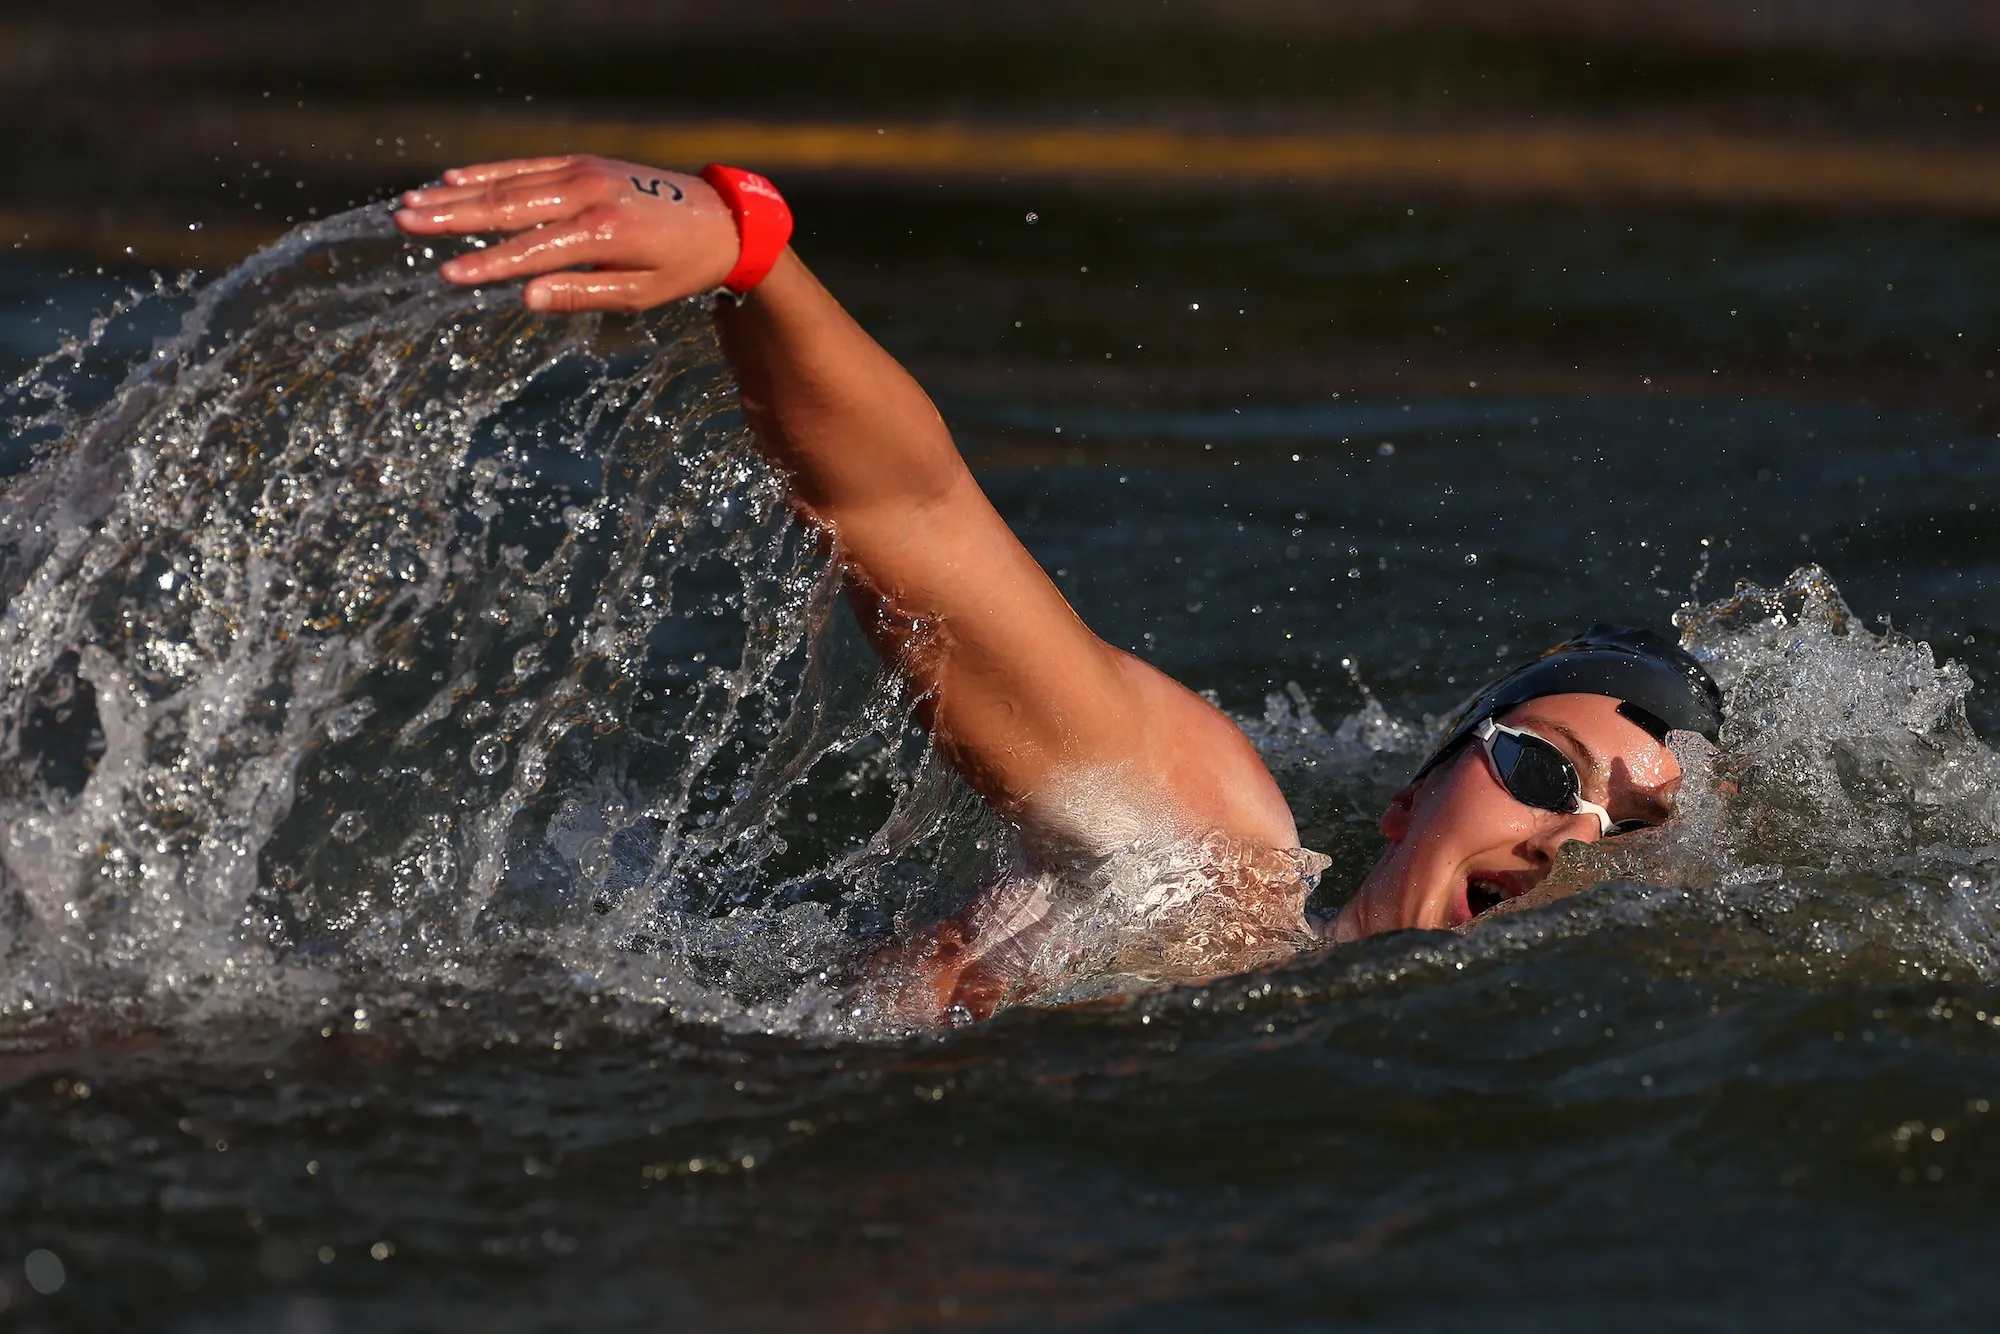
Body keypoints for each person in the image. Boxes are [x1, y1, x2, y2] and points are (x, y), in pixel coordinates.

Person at [393, 156, 1722, 1020]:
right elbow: (912, 515)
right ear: (1412, 791)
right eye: (1546, 772)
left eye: (1637, 828)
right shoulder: (1205, 860)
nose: (1572, 836)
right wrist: (758, 254)